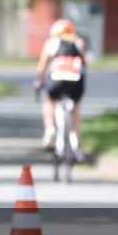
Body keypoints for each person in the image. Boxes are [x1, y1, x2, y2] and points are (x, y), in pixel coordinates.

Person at [34, 19, 86, 162]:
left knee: (49, 101)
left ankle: (50, 130)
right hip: (76, 81)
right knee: (75, 109)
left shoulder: (52, 43)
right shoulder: (79, 42)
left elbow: (42, 67)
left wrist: (39, 82)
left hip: (56, 81)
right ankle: (75, 141)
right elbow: (84, 66)